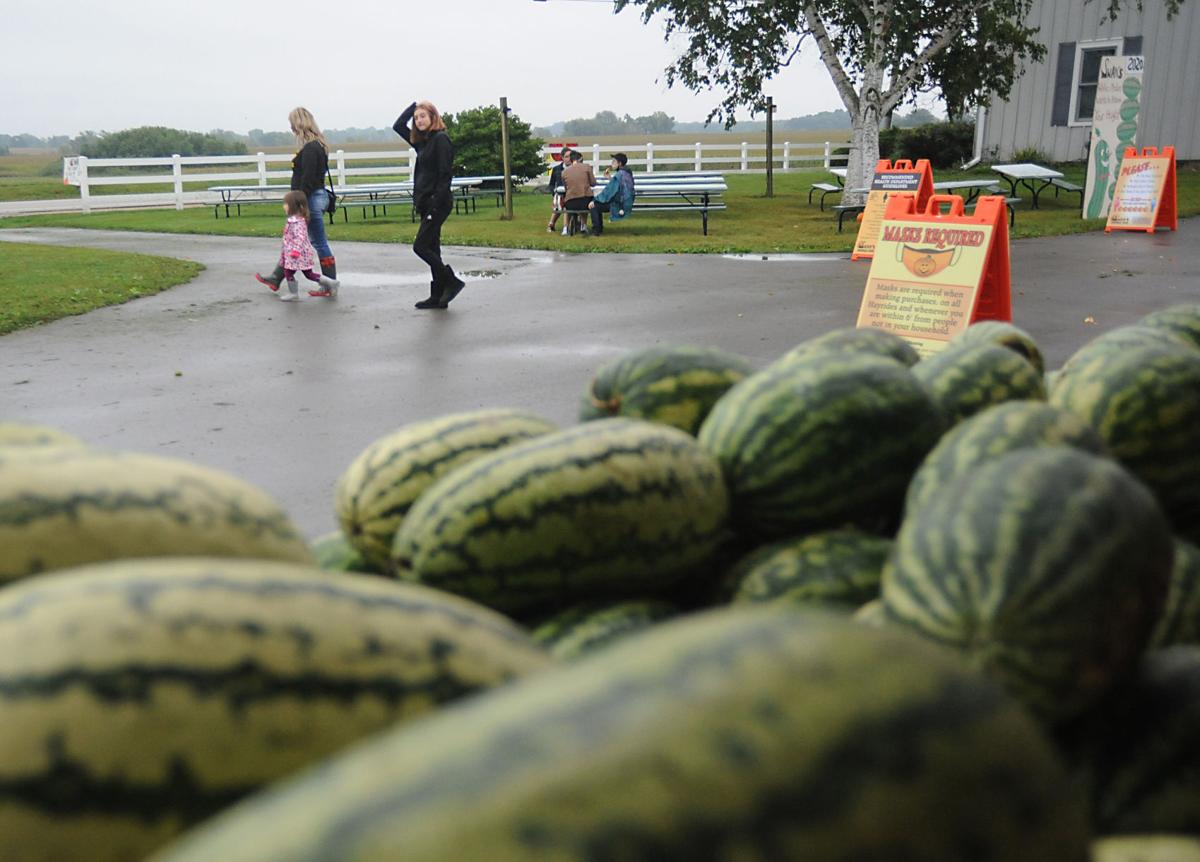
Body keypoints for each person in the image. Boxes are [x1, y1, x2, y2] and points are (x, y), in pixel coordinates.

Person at [255, 107, 338, 297]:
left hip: (309, 199)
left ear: (299, 123)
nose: (291, 128)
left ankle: (329, 284)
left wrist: (298, 204)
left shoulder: (310, 149)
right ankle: (277, 278)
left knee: (318, 241)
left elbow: (307, 180)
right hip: (314, 197)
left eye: (292, 123)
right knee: (296, 241)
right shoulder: (318, 146)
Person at [393, 100, 464, 309]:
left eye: (422, 116)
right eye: (416, 118)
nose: (418, 120)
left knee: (421, 247)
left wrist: (435, 203)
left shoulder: (441, 139)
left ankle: (451, 281)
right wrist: (412, 106)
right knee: (433, 248)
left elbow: (445, 175)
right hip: (425, 203)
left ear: (433, 117)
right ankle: (438, 295)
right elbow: (397, 126)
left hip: (438, 203)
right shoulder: (422, 142)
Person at [273, 191, 339, 301]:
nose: (284, 206)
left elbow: (300, 237)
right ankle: (331, 282)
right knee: (308, 274)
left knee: (290, 272)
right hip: (294, 253)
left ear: (294, 206)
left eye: (286, 204)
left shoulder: (297, 222)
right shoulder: (294, 220)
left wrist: (295, 251)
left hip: (297, 254)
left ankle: (293, 294)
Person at [590, 152, 636, 227]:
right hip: (626, 201)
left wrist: (595, 200)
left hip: (620, 204)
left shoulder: (619, 174)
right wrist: (611, 179)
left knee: (594, 206)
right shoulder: (626, 173)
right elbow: (619, 186)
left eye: (614, 161)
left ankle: (596, 230)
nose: (612, 163)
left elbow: (608, 192)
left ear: (620, 163)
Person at [561, 150, 599, 236]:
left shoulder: (564, 172)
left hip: (570, 202)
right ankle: (583, 225)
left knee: (567, 208)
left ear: (571, 160)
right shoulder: (587, 167)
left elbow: (565, 187)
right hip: (585, 201)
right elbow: (593, 183)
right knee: (587, 200)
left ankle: (565, 228)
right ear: (580, 159)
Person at [546, 146, 572, 235]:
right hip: (560, 194)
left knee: (564, 204)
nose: (569, 159)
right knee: (561, 202)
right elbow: (551, 184)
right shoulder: (556, 169)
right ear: (562, 157)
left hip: (572, 194)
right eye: (567, 156)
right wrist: (554, 193)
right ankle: (558, 226)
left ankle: (552, 224)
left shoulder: (575, 168)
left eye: (570, 156)